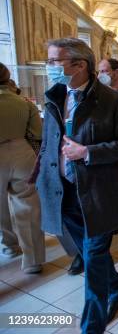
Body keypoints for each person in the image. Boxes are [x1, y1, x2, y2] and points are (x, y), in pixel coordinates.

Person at [37, 38, 118, 332]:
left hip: (98, 193)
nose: (50, 67)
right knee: (89, 251)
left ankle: (91, 326)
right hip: (63, 192)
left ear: (80, 65)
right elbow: (49, 143)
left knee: (93, 257)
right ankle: (117, 288)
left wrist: (88, 152)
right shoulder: (55, 96)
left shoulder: (115, 101)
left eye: (55, 61)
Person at [0, 63, 46, 273]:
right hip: (22, 152)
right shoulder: (24, 102)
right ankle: (34, 260)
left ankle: (9, 246)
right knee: (28, 205)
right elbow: (37, 133)